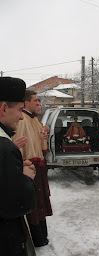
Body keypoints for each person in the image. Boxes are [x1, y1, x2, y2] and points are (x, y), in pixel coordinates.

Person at [0, 77, 37, 256]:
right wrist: (25, 177)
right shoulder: (5, 147)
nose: (22, 116)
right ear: (4, 108)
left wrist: (11, 170)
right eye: (19, 110)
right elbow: (19, 204)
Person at [13, 90, 53, 247]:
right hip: (30, 168)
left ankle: (42, 236)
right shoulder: (21, 120)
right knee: (34, 205)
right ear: (26, 103)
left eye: (39, 101)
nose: (38, 103)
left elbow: (41, 149)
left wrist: (43, 138)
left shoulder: (35, 120)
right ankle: (37, 238)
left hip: (39, 166)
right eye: (35, 101)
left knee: (40, 203)